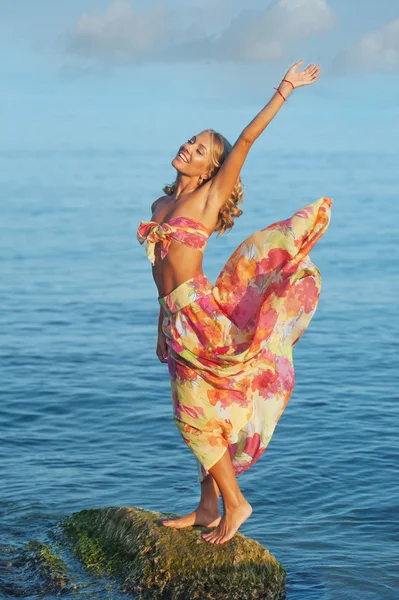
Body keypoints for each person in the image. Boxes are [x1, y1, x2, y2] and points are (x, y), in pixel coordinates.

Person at [136, 60, 332, 545]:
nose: (188, 148)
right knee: (209, 410)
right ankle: (207, 506)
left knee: (193, 415)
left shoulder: (206, 198)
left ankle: (236, 503)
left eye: (200, 149)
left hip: (199, 315)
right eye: (189, 141)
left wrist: (284, 89)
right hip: (175, 317)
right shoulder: (160, 206)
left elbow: (244, 140)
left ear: (211, 168)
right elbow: (159, 272)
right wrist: (161, 322)